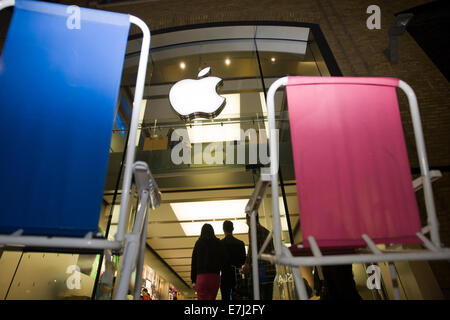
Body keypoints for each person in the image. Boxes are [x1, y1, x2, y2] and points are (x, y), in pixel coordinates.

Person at [242, 213, 276, 300]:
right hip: (271, 270)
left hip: (261, 270)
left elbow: (253, 247)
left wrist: (247, 264)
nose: (246, 221)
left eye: (246, 218)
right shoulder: (266, 231)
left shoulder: (253, 228)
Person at [191, 223, 227, 300]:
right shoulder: (218, 243)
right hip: (214, 276)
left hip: (201, 276)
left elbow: (194, 263)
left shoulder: (198, 243)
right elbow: (223, 260)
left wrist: (193, 280)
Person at [220, 220, 246, 300]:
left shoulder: (220, 244)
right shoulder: (240, 243)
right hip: (237, 275)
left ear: (223, 229)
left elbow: (219, 262)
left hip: (225, 276)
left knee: (225, 297)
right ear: (233, 229)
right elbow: (243, 260)